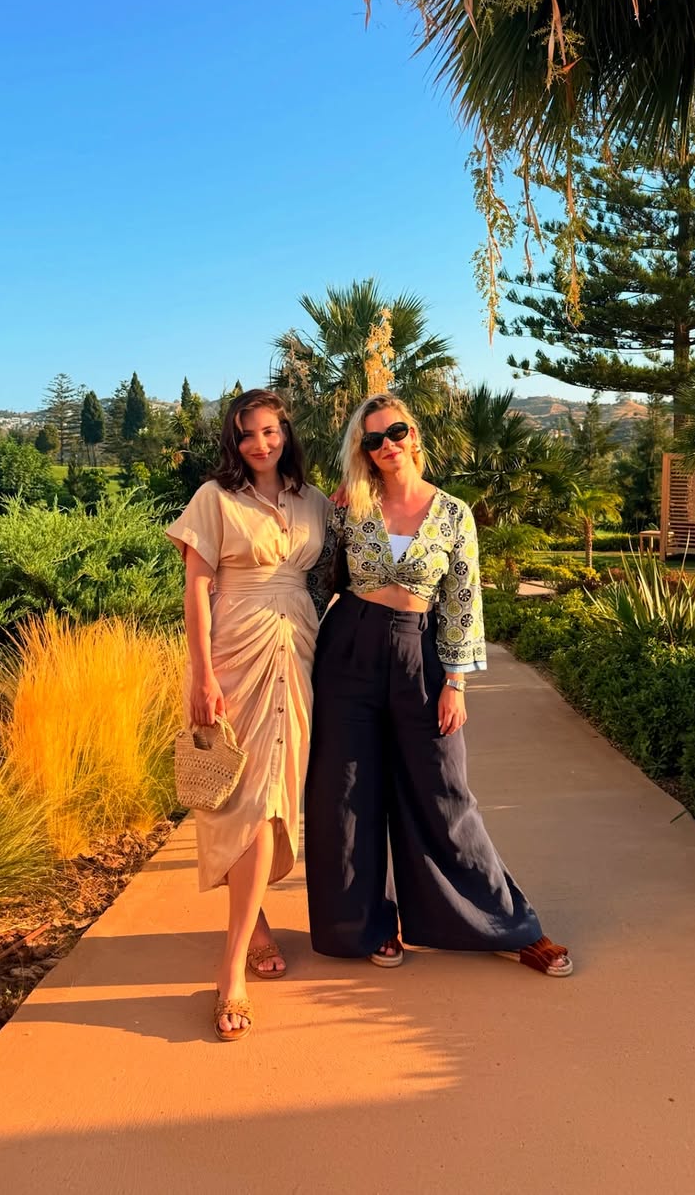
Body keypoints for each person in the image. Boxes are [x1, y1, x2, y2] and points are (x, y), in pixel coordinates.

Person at [304, 393, 572, 977]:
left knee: (445, 790)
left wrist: (456, 683)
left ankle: (507, 926)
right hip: (348, 649)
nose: (387, 445)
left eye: (395, 432)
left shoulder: (452, 513)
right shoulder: (348, 507)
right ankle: (364, 927)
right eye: (373, 439)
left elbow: (462, 601)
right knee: (344, 793)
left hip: (419, 651)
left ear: (414, 434)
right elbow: (316, 582)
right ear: (363, 451)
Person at [166, 389, 329, 1041]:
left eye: (269, 431)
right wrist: (202, 674)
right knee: (247, 802)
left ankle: (255, 919)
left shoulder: (313, 501)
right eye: (246, 435)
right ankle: (231, 971)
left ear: (285, 432)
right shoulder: (215, 498)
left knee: (276, 800)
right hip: (234, 655)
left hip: (298, 650)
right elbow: (197, 588)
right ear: (232, 443)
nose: (260, 444)